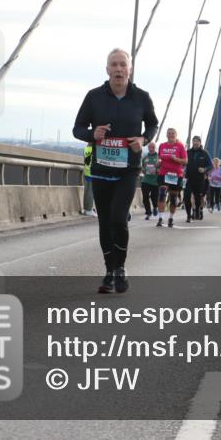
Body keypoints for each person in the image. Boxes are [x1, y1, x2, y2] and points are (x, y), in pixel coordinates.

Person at [73, 48, 157, 294]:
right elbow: (77, 128)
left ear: (130, 69)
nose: (118, 69)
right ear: (107, 69)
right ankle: (109, 271)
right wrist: (92, 134)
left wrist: (143, 139)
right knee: (105, 222)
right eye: (114, 64)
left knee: (118, 219)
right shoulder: (94, 97)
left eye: (122, 64)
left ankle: (120, 268)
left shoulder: (141, 97)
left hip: (128, 170)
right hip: (101, 170)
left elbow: (152, 124)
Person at [156, 128, 187, 227]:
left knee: (173, 198)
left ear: (176, 135)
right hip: (164, 173)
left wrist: (176, 159)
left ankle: (170, 218)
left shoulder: (180, 146)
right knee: (162, 194)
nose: (171, 135)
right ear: (166, 135)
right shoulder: (162, 145)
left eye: (173, 133)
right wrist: (158, 163)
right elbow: (159, 158)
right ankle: (160, 218)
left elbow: (185, 161)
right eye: (169, 133)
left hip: (176, 175)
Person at [186, 136, 211, 221]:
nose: (195, 142)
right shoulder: (188, 152)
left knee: (199, 197)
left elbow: (210, 165)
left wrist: (204, 169)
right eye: (194, 141)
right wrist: (182, 170)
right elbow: (183, 163)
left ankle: (198, 210)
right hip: (189, 178)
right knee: (187, 196)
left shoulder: (204, 153)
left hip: (200, 179)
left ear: (200, 143)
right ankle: (189, 214)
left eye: (197, 141)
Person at [140, 142, 160, 219]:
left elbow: (162, 167)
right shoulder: (145, 157)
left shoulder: (159, 157)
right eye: (150, 147)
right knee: (145, 197)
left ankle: (155, 207)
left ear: (155, 148)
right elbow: (141, 166)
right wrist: (143, 170)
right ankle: (148, 212)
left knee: (154, 197)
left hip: (155, 181)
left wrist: (158, 170)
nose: (151, 149)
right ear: (148, 148)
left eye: (153, 147)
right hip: (146, 180)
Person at [81, 143, 95, 216]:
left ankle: (87, 209)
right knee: (90, 192)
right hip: (92, 173)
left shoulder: (86, 149)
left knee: (87, 191)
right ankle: (88, 209)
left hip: (86, 171)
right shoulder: (94, 149)